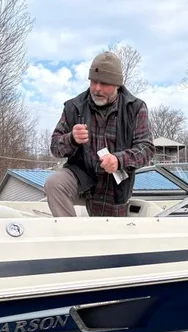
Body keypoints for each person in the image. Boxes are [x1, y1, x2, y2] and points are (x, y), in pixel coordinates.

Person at [44, 51, 155, 217]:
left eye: (104, 83)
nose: (97, 89)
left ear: (117, 84)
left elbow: (146, 148)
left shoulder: (135, 108)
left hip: (113, 184)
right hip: (80, 177)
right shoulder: (74, 107)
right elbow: (55, 147)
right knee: (54, 184)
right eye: (94, 81)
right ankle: (69, 236)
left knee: (109, 235)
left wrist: (119, 160)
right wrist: (71, 139)